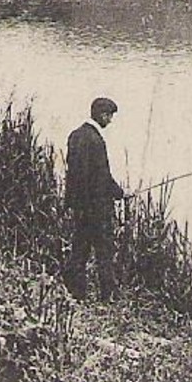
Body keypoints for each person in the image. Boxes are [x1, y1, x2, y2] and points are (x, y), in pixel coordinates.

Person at [61, 97, 125, 301]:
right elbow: (101, 176)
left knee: (80, 248)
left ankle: (75, 292)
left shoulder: (76, 135)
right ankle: (108, 295)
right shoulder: (96, 140)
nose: (111, 121)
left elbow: (76, 174)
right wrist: (120, 193)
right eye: (110, 116)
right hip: (98, 208)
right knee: (104, 251)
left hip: (81, 207)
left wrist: (76, 204)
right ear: (103, 115)